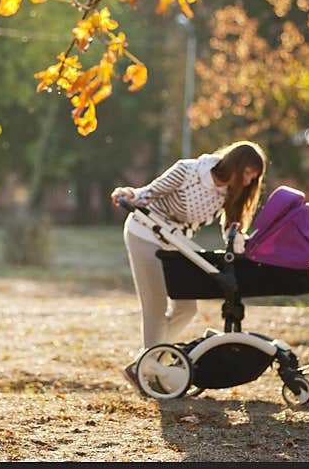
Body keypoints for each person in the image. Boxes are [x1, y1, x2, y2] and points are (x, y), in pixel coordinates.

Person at [110, 140, 267, 394]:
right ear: (236, 165)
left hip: (177, 242)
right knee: (156, 306)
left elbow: (232, 229)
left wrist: (243, 248)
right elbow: (148, 193)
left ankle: (144, 363)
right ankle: (147, 374)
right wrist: (128, 194)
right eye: (248, 173)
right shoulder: (189, 171)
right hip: (145, 233)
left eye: (255, 177)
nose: (249, 182)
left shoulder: (230, 193)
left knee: (186, 308)